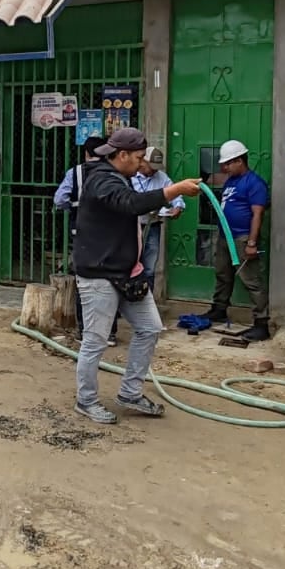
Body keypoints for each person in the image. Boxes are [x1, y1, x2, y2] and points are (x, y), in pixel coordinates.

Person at [71, 127, 201, 424]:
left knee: (150, 328)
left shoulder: (121, 177)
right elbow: (129, 203)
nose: (144, 164)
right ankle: (86, 400)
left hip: (127, 272)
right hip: (100, 274)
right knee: (96, 341)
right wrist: (175, 190)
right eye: (140, 158)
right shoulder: (101, 179)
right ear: (123, 155)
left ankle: (130, 393)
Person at [54, 136, 116, 345]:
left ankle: (85, 331)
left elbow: (59, 199)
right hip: (109, 235)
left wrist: (74, 206)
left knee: (85, 280)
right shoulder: (113, 172)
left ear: (86, 153)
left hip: (80, 233)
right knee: (111, 279)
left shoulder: (75, 173)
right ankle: (110, 332)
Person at [207, 139, 271, 342]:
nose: (224, 167)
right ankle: (219, 309)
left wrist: (251, 243)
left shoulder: (254, 183)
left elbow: (257, 214)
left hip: (242, 238)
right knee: (223, 274)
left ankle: (261, 324)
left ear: (239, 161)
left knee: (251, 281)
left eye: (227, 163)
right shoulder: (231, 180)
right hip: (226, 236)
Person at [131, 145, 184, 290]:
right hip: (132, 226)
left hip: (152, 225)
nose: (154, 170)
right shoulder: (129, 175)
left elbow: (175, 192)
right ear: (143, 162)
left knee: (149, 267)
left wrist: (177, 206)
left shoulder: (161, 177)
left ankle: (148, 301)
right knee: (131, 264)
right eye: (151, 166)